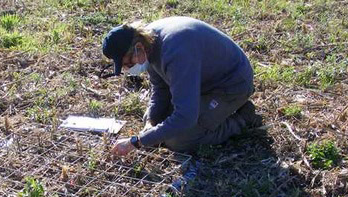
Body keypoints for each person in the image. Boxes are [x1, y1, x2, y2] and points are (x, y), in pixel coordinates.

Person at [102, 17, 262, 156]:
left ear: (138, 48)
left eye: (127, 62)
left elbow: (185, 117)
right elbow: (160, 89)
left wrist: (136, 142)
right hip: (199, 82)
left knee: (178, 140)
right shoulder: (148, 43)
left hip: (230, 86)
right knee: (156, 120)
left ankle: (242, 118)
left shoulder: (176, 52)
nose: (128, 68)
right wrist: (150, 122)